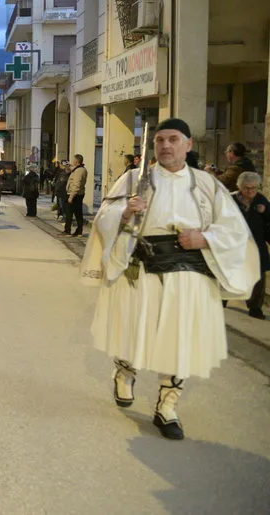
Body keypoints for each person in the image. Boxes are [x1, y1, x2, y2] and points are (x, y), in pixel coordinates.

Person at [81, 118, 259, 440]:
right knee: (134, 328)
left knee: (179, 339)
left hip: (189, 273)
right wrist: (124, 213)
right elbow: (103, 216)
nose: (165, 146)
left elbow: (234, 229)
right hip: (141, 267)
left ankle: (168, 405)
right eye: (160, 140)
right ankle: (124, 372)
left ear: (188, 145)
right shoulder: (134, 178)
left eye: (173, 139)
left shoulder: (207, 184)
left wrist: (205, 239)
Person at [233, 171, 269, 319]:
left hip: (256, 243)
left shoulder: (261, 199)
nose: (251, 191)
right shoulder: (231, 199)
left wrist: (265, 211)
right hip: (235, 244)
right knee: (230, 272)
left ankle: (255, 307)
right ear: (240, 187)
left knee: (258, 276)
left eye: (254, 188)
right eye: (247, 188)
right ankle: (223, 299)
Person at [64, 154, 88, 237]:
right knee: (77, 213)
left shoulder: (79, 171)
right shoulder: (80, 169)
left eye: (73, 160)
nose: (72, 161)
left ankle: (69, 230)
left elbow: (76, 184)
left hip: (75, 195)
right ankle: (78, 231)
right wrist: (69, 167)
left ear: (77, 161)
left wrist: (71, 197)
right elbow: (72, 170)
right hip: (77, 194)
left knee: (71, 213)